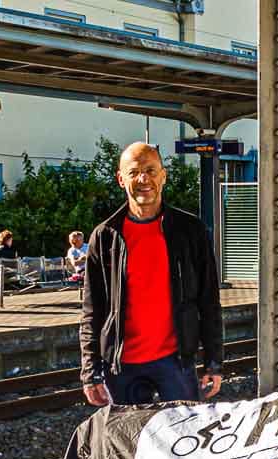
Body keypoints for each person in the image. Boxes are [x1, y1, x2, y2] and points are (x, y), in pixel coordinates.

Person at [80, 142, 224, 406]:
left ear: (163, 175)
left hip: (176, 362)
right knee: (128, 444)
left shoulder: (190, 231)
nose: (143, 179)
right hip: (121, 367)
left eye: (150, 170)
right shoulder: (105, 236)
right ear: (121, 179)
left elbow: (209, 300)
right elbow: (93, 310)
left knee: (184, 438)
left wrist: (214, 363)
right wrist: (91, 372)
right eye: (134, 172)